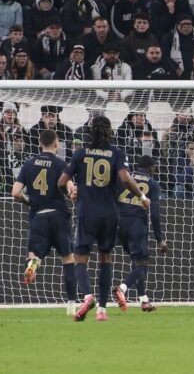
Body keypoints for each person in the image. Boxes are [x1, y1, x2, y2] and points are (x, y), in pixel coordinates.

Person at [58, 116, 150, 322]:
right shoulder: (116, 153)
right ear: (109, 131)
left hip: (86, 212)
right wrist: (142, 197)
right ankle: (101, 309)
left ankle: (87, 296)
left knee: (80, 258)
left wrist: (71, 193)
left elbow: (62, 181)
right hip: (109, 214)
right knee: (105, 258)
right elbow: (126, 178)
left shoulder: (81, 153)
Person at [11, 130, 79, 315]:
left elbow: (15, 192)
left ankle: (33, 264)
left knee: (35, 254)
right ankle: (72, 306)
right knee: (68, 258)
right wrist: (73, 194)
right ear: (56, 144)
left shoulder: (29, 164)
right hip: (58, 215)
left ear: (40, 144)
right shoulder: (60, 164)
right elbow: (72, 189)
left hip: (39, 216)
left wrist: (30, 202)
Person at [113, 155, 165, 313]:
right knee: (143, 265)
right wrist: (160, 240)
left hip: (119, 225)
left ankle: (144, 301)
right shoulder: (153, 183)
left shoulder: (126, 177)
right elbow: (154, 213)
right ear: (151, 168)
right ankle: (122, 288)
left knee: (136, 261)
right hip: (136, 225)